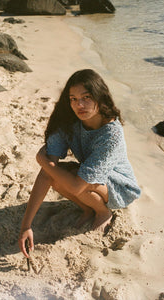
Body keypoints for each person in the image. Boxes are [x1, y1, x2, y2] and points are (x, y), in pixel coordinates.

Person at [18, 69, 141, 257]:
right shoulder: (69, 123)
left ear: (100, 97)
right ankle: (87, 208)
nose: (79, 104)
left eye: (86, 97)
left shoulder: (111, 134)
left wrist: (41, 160)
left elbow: (76, 186)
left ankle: (102, 212)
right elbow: (47, 173)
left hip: (119, 185)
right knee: (55, 174)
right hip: (88, 177)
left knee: (72, 177)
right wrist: (26, 226)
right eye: (73, 99)